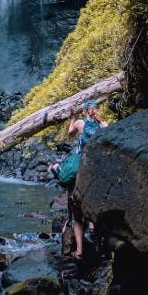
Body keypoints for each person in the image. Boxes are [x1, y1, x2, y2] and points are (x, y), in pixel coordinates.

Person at [50, 101, 108, 260]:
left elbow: (70, 133)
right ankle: (98, 247)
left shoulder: (80, 123)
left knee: (77, 217)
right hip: (96, 171)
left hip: (80, 169)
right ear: (96, 110)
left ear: (84, 112)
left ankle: (80, 251)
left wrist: (72, 118)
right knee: (95, 212)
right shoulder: (104, 125)